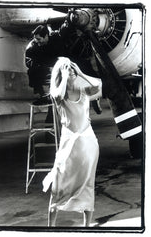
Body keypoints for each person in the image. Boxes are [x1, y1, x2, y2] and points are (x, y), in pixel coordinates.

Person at [42, 57, 102, 227]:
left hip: (88, 143)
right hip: (69, 144)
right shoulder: (59, 95)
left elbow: (98, 85)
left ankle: (86, 225)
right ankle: (51, 227)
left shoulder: (84, 91)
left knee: (87, 183)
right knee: (59, 183)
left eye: (73, 68)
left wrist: (81, 72)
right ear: (61, 73)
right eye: (69, 69)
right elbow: (58, 93)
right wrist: (63, 71)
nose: (72, 70)